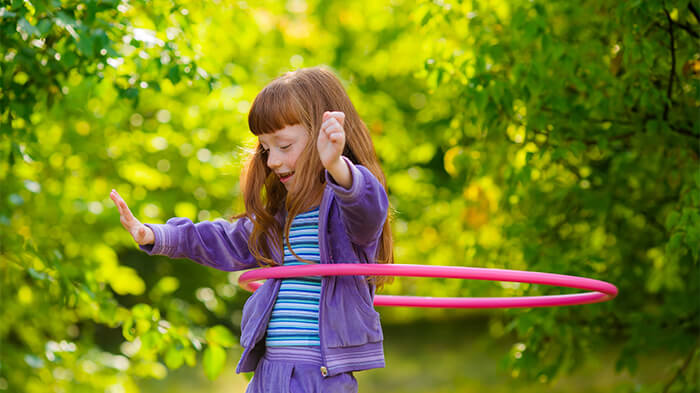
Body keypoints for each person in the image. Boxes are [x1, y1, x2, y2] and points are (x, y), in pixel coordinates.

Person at [110, 66, 393, 393]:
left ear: (323, 137)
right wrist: (156, 235)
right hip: (268, 371)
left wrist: (337, 166)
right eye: (266, 149)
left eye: (284, 146)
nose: (272, 160)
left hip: (321, 375)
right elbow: (220, 239)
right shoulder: (277, 221)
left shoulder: (348, 212)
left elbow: (369, 210)